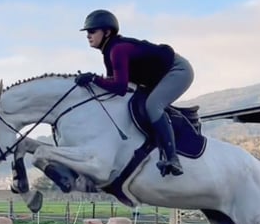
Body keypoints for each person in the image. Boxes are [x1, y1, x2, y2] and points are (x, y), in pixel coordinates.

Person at [75, 9, 194, 177]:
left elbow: (120, 87)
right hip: (160, 76)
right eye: (87, 32)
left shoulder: (117, 50)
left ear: (107, 32)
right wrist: (93, 82)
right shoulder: (109, 53)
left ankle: (172, 158)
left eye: (92, 31)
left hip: (178, 70)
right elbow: (114, 86)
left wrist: (93, 79)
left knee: (153, 105)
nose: (88, 35)